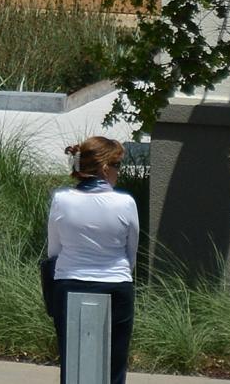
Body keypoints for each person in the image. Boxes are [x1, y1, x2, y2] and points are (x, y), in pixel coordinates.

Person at [42, 134, 140, 384]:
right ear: (105, 168)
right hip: (116, 285)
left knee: (72, 361)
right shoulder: (125, 203)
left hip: (68, 284)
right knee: (114, 365)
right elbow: (131, 255)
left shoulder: (61, 200)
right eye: (117, 165)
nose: (119, 172)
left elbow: (54, 251)